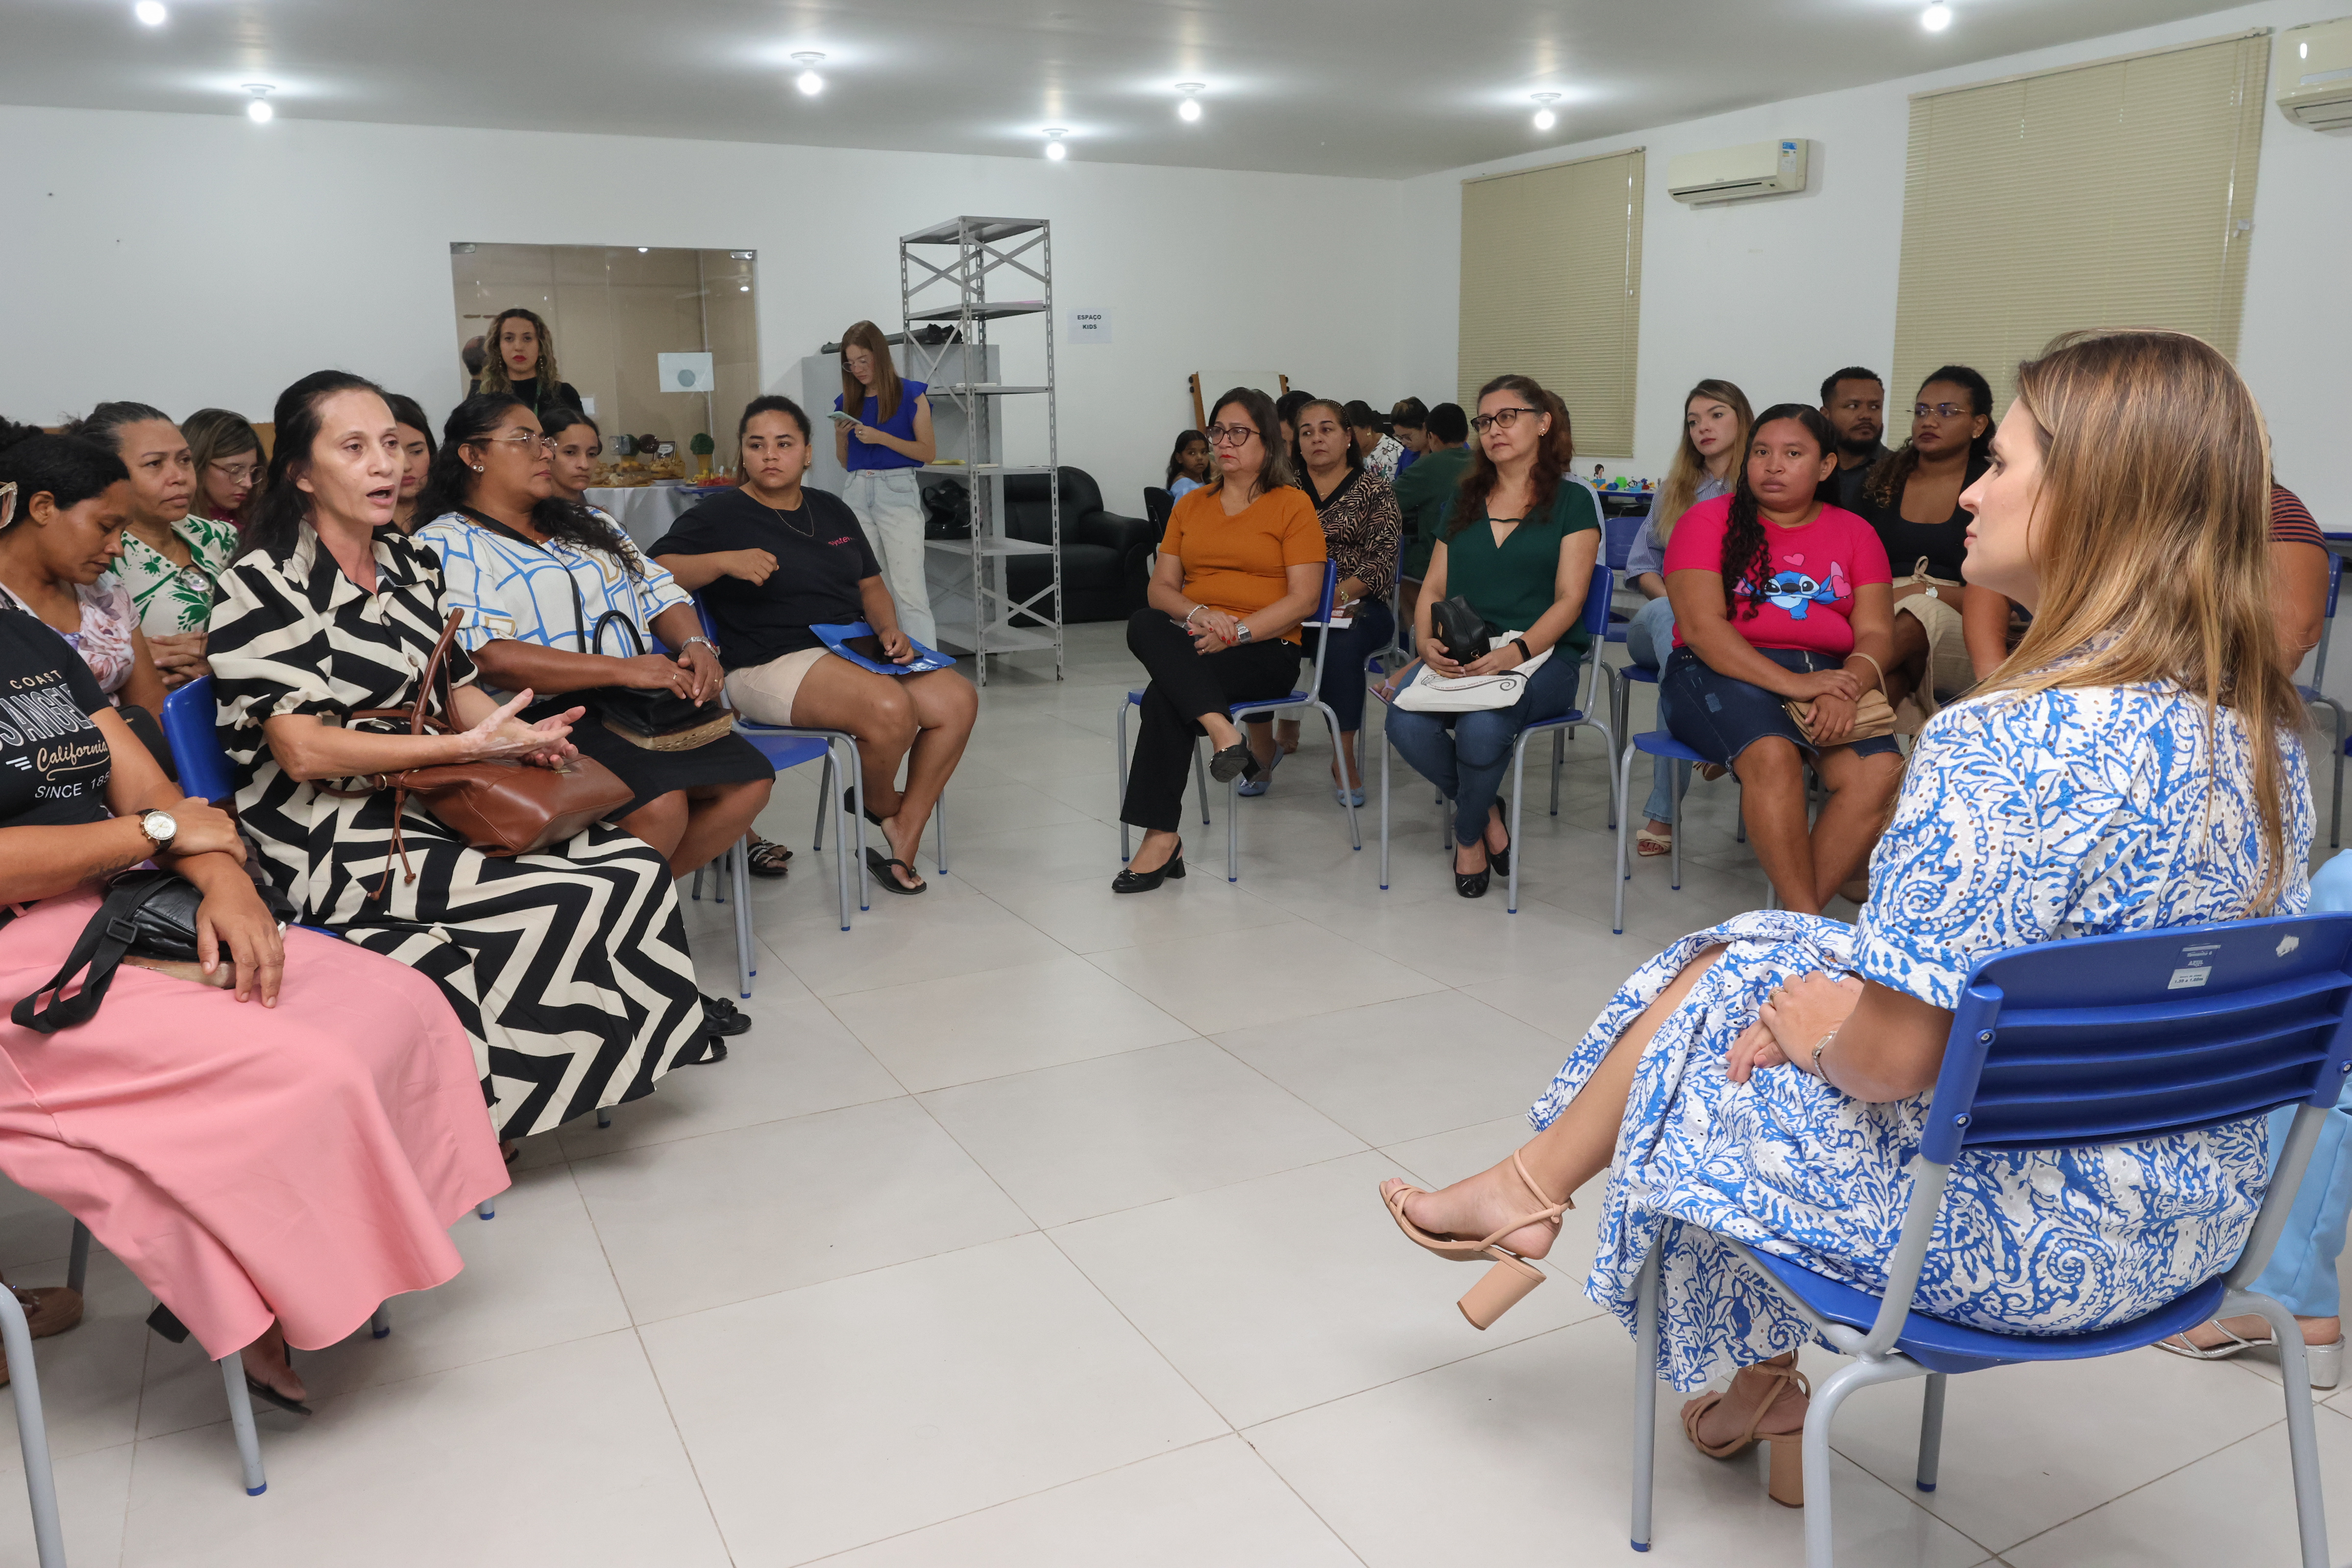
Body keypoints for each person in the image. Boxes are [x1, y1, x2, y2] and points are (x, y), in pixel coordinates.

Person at [1381, 328, 2308, 1510]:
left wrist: (1820, 1027)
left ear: (2096, 504)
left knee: (1717, 1046)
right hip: (2187, 1230)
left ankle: (1581, 1237)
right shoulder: (2264, 736)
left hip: (2024, 1250)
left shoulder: (1999, 745)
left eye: (2003, 463)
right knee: (1761, 948)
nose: (1968, 487)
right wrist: (1808, 995)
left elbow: (1883, 1067)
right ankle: (1566, 1230)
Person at [0, 495, 506, 1406]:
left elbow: (146, 782)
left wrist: (226, 882)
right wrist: (158, 834)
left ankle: (324, 1262)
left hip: (120, 894)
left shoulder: (24, 641)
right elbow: (143, 818)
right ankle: (258, 1295)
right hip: (22, 948)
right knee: (303, 1063)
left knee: (396, 1002)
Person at [208, 370, 712, 1146]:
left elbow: (459, 683)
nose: (386, 465)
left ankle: (614, 1062)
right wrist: (464, 745)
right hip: (324, 827)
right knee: (558, 898)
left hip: (428, 789)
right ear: (303, 474)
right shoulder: (261, 583)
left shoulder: (408, 562)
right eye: (354, 448)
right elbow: (302, 751)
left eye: (390, 445)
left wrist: (516, 734)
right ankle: (502, 1120)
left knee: (632, 866)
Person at [415, 393, 775, 1039]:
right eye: (523, 440)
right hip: (543, 717)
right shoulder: (446, 543)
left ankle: (610, 935)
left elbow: (659, 590)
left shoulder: (593, 521)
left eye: (543, 441)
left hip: (639, 703)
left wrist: (695, 645)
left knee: (751, 780)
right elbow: (489, 656)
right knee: (662, 807)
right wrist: (624, 669)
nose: (544, 452)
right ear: (472, 456)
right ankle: (645, 972)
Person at [653, 395, 976, 896]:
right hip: (766, 661)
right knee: (891, 710)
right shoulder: (721, 513)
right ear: (743, 453)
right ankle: (881, 803)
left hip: (849, 648)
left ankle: (903, 831)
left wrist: (890, 627)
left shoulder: (830, 508)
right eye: (757, 445)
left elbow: (871, 585)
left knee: (958, 699)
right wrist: (722, 562)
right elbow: (653, 572)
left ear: (807, 453)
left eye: (785, 444)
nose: (770, 455)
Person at [1660, 404, 1902, 913]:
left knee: (1879, 773)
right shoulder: (1705, 520)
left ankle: (1792, 921)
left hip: (1825, 673)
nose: (1773, 465)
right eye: (1762, 452)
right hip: (1716, 669)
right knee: (1773, 754)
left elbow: (1878, 631)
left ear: (1826, 467)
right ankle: (1806, 925)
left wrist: (1847, 685)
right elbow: (1703, 630)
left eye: (1794, 454)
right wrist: (1799, 687)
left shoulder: (1857, 532)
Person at [1376, 374, 1600, 899]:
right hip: (1466, 650)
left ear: (1543, 423)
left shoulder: (1572, 503)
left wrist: (1515, 653)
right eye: (1485, 421)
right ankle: (1487, 808)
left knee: (1481, 731)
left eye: (1508, 416)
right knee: (1403, 722)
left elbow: (1570, 600)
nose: (1494, 429)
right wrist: (1425, 640)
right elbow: (1432, 586)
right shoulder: (1464, 499)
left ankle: (1469, 834)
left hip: (1543, 657)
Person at [1113, 386, 1324, 893]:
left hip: (1267, 648)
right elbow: (1161, 587)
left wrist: (1241, 631)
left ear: (1268, 442)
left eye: (1238, 432)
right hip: (1198, 636)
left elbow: (1304, 599)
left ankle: (1162, 837)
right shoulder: (1191, 506)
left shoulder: (1292, 506)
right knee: (1144, 620)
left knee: (1167, 697)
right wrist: (1205, 615)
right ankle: (1224, 733)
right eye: (1217, 431)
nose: (1223, 442)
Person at [1242, 398, 1399, 805]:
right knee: (1257, 640)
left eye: (1327, 429)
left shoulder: (1375, 491)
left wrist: (1335, 596)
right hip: (1292, 605)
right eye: (1307, 432)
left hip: (1357, 606)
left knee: (1342, 648)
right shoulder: (1280, 490)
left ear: (1349, 437)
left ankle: (1343, 757)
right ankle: (1262, 747)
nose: (1317, 439)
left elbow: (1382, 560)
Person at [1623, 380, 1752, 859]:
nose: (1703, 428)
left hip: (1726, 630)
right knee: (1679, 638)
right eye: (1694, 420)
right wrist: (1687, 607)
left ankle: (1665, 811)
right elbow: (1641, 566)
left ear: (1742, 419)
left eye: (1716, 415)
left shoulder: (1760, 492)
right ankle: (1719, 739)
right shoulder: (1675, 489)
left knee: (1684, 667)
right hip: (1661, 617)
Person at [1853, 366, 2001, 725]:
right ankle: (1818, 725)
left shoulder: (1993, 488)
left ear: (1979, 425)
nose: (1929, 421)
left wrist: (1921, 590)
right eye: (1922, 411)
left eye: (1947, 412)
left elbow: (2006, 601)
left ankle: (1823, 697)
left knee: (1919, 612)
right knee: (1894, 678)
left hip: (1963, 630)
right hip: (1883, 617)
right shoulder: (1881, 479)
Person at [68, 402, 237, 691]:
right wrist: (132, 657)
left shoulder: (220, 537)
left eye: (185, 460)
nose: (179, 477)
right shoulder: (92, 557)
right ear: (108, 473)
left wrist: (226, 655)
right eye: (155, 464)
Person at [0, 432, 170, 721]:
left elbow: (153, 710)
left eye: (123, 532)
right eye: (106, 527)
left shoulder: (105, 594)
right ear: (43, 508)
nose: (118, 549)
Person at [832, 320, 938, 648]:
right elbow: (845, 461)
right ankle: (883, 665)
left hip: (897, 490)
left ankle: (927, 674)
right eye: (851, 363)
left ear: (880, 354)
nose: (858, 369)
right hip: (856, 492)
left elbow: (928, 453)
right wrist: (840, 437)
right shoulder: (846, 400)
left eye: (864, 360)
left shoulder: (912, 395)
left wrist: (881, 438)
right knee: (867, 586)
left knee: (909, 590)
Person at [1391, 400, 1470, 632]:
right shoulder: (1485, 464)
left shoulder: (1428, 466)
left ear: (1431, 436)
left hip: (1435, 563)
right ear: (1467, 433)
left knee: (1400, 573)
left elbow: (1385, 502)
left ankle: (1419, 640)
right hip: (1475, 562)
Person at [473, 308, 582, 418]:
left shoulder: (564, 394)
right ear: (498, 347)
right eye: (509, 338)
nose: (519, 347)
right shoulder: (484, 400)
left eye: (527, 338)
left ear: (540, 347)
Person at [182, 407, 263, 535]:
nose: (248, 484)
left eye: (252, 472)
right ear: (199, 466)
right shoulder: (183, 530)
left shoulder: (256, 519)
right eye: (235, 471)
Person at [1818, 367, 1887, 513]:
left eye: (1875, 407)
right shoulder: (1811, 468)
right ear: (1825, 415)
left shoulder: (1898, 471)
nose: (1866, 415)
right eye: (1853, 406)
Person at [384, 392, 438, 532]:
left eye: (417, 452)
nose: (406, 466)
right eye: (391, 453)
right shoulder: (360, 530)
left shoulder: (453, 520)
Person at [543, 405, 603, 504]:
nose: (584, 465)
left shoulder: (597, 516)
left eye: (592, 454)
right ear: (546, 451)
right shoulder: (529, 518)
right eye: (570, 452)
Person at [1345, 400, 1405, 481]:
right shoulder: (1346, 453)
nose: (1348, 438)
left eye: (1353, 433)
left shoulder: (1394, 453)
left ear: (1368, 428)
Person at [1164, 429, 1211, 502]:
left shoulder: (1202, 480)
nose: (1200, 457)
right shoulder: (1186, 487)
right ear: (1179, 458)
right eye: (1192, 453)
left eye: (1204, 452)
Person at [1389, 397, 1430, 476]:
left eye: (1407, 437)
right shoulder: (1407, 453)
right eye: (1399, 437)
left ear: (1425, 427)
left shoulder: (1445, 451)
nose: (1403, 443)